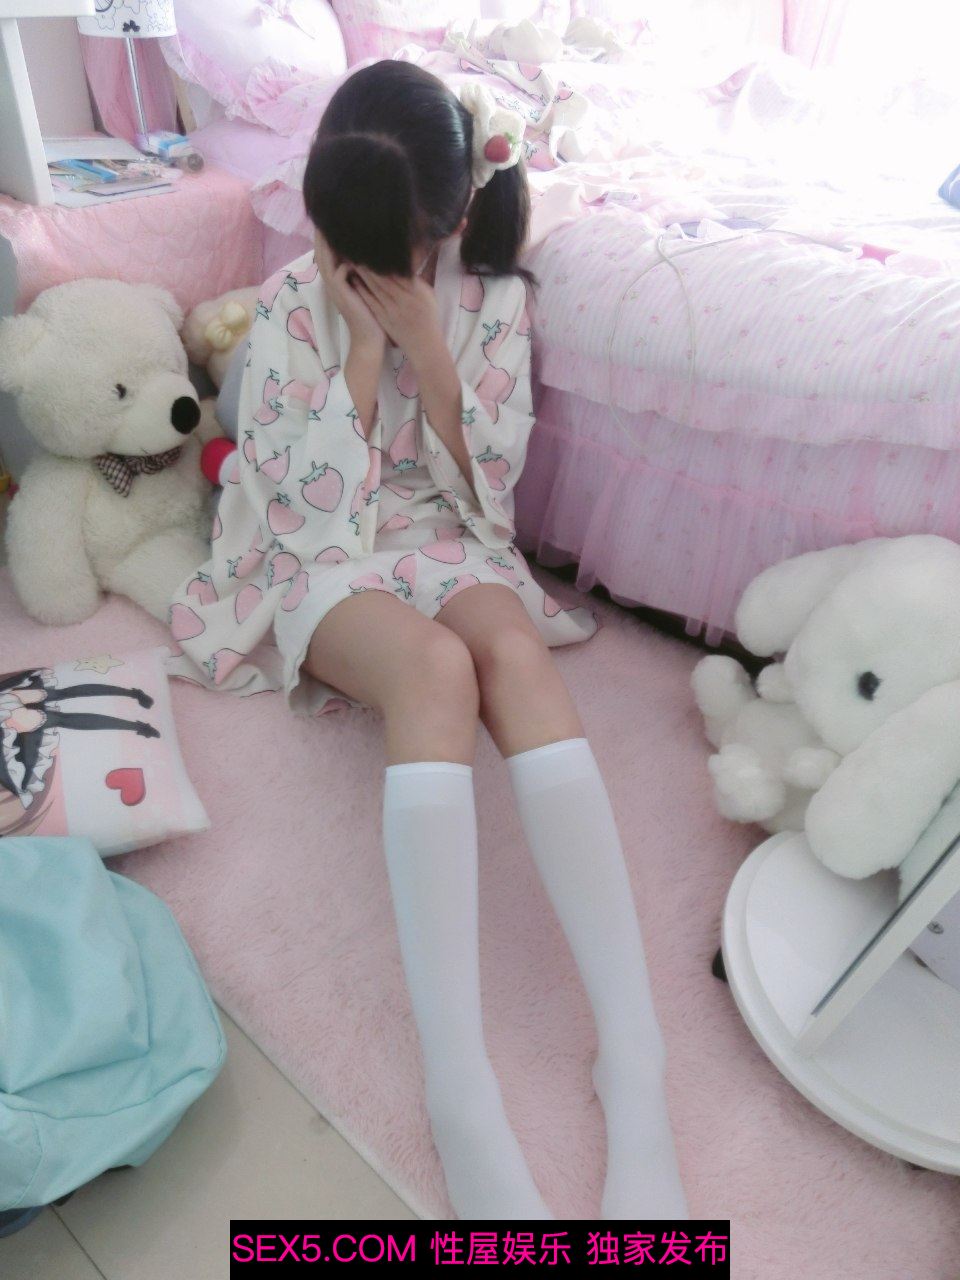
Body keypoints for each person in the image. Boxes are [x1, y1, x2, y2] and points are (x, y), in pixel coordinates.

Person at [167, 60, 687, 1221]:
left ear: (450, 223)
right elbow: (301, 511)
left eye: (405, 248)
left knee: (513, 652)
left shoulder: (492, 295)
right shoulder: (297, 298)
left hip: (445, 530)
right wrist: (363, 355)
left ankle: (635, 1054)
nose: (379, 269)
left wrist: (435, 359)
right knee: (436, 668)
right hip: (323, 546)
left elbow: (490, 492)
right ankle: (460, 1086)